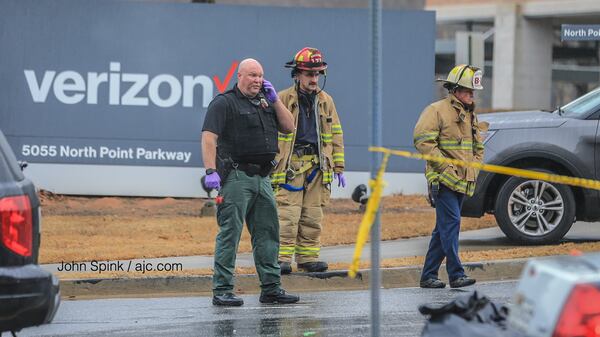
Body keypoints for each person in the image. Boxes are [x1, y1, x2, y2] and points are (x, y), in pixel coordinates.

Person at [201, 58, 300, 306]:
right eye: (253, 75)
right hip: (236, 177)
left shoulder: (266, 102)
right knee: (230, 235)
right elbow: (209, 138)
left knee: (268, 235)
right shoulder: (224, 103)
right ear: (240, 76)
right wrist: (210, 170)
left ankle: (271, 289)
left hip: (263, 179)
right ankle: (222, 290)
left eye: (261, 76)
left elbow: (289, 127)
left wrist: (276, 100)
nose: (257, 80)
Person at [271, 47, 346, 274]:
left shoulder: (326, 101)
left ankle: (307, 258)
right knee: (287, 214)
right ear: (297, 74)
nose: (314, 79)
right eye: (309, 74)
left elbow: (336, 134)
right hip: (290, 166)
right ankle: (281, 259)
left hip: (317, 167)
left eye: (317, 74)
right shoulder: (283, 99)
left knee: (313, 215)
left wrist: (339, 166)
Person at [413, 64, 488, 289]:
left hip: (463, 182)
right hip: (443, 181)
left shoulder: (469, 114)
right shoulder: (436, 110)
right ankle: (456, 274)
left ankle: (428, 276)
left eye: (472, 92)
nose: (471, 95)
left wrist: (473, 168)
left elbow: (478, 148)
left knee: (443, 229)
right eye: (467, 91)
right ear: (454, 90)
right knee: (452, 224)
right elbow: (422, 141)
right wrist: (445, 169)